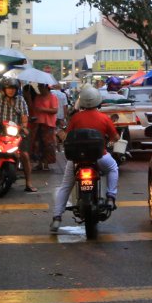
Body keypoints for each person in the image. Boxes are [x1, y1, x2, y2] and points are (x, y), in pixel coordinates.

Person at [50, 86, 119, 233]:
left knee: (66, 186)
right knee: (113, 168)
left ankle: (56, 218)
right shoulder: (104, 118)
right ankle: (111, 197)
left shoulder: (75, 118)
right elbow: (116, 137)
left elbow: (67, 136)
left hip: (76, 160)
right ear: (98, 101)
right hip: (99, 157)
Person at [0, 78, 33, 192]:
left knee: (25, 155)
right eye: (8, 88)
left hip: (16, 133)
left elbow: (24, 117)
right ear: (4, 89)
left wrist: (24, 127)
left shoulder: (20, 100)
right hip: (0, 132)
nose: (10, 91)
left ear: (16, 90)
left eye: (13, 88)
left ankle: (28, 182)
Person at [29, 82, 59, 172]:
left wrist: (42, 109)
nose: (39, 88)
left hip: (48, 124)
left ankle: (46, 163)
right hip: (38, 123)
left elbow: (55, 110)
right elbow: (34, 108)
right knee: (37, 144)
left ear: (46, 87)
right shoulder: (38, 97)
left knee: (48, 145)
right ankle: (39, 163)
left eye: (40, 87)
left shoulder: (52, 97)